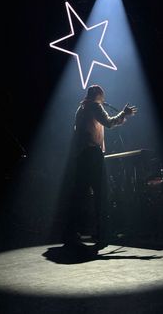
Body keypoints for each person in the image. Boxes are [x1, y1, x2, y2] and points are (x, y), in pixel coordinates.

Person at [64, 84, 137, 250]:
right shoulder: (95, 106)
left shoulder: (81, 108)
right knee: (100, 194)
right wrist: (124, 114)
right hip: (92, 154)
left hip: (82, 155)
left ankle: (71, 233)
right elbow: (109, 123)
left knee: (80, 195)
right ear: (98, 95)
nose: (104, 99)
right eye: (102, 96)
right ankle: (102, 234)